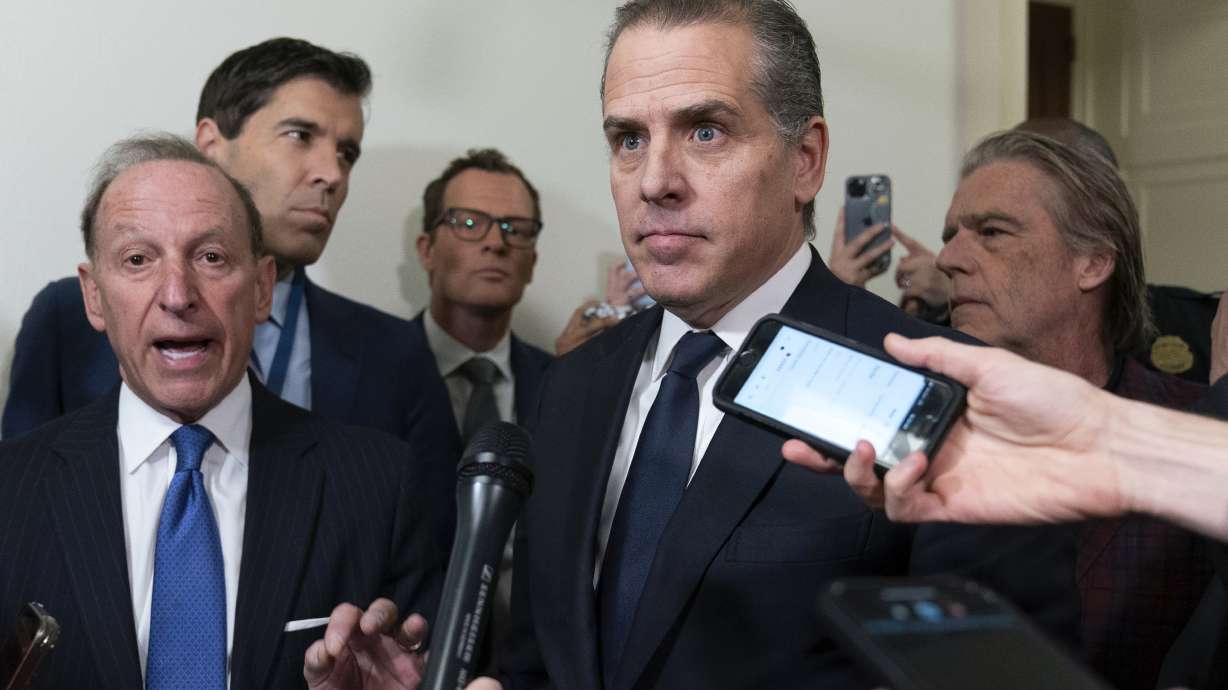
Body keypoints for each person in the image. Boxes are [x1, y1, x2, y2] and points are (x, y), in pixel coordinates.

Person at [496, 2, 1078, 689]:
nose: (654, 181)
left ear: (805, 161)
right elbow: (541, 656)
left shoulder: (939, 390)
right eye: (628, 139)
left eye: (705, 131)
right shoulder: (570, 388)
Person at [0, 134, 446, 690]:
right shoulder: (11, 490)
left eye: (211, 257)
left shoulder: (383, 486)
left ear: (261, 288)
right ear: (94, 296)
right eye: (138, 260)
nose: (177, 294)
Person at [2, 38, 458, 488]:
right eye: (300, 136)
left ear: (261, 289)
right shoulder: (66, 323)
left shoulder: (397, 354)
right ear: (211, 145)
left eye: (347, 153)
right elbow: (24, 511)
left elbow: (435, 545)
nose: (332, 174)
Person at [410, 147, 554, 671]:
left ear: (533, 260)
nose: (496, 242)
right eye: (469, 223)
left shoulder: (566, 387)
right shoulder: (372, 373)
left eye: (517, 229)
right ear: (426, 248)